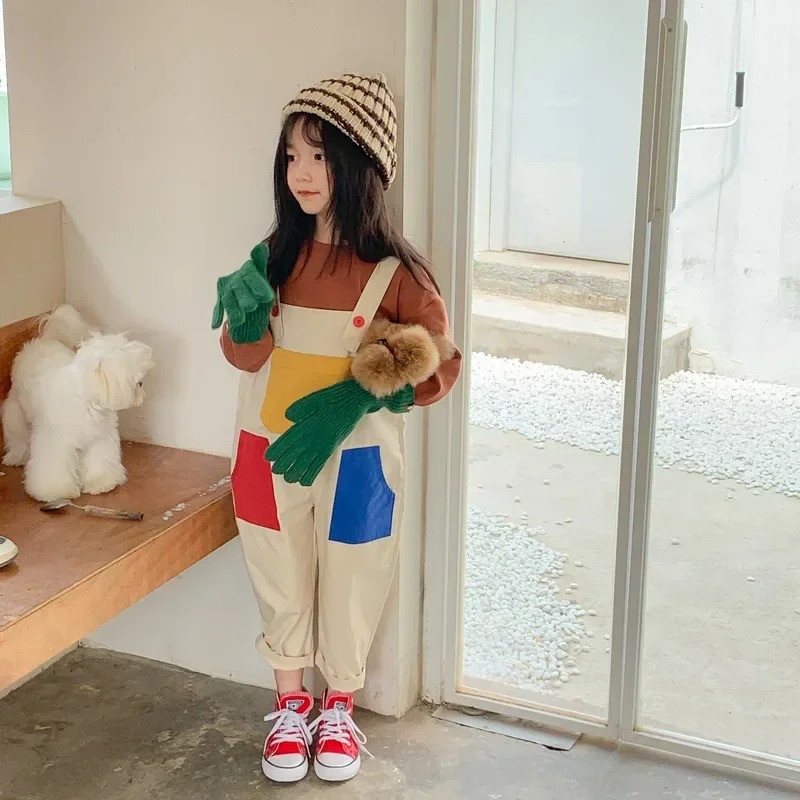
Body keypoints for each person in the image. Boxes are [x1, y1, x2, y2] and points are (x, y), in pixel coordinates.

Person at [213, 73, 461, 785]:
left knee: (356, 570)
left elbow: (439, 366)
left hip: (358, 460)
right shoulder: (274, 255)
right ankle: (291, 705)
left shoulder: (397, 273)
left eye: (320, 156)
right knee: (277, 567)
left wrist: (360, 392)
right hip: (267, 449)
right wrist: (245, 322)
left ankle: (339, 708)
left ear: (360, 165)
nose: (302, 173)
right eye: (292, 155)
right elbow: (244, 356)